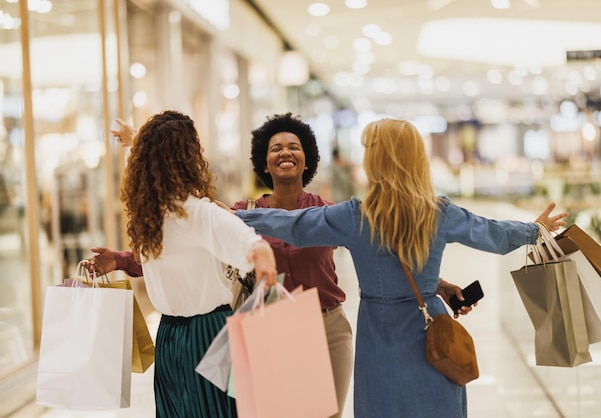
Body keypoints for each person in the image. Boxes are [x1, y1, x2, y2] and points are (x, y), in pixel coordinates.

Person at [86, 113, 476, 418]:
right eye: (275, 147)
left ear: (307, 157)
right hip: (270, 327)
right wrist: (121, 258)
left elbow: (385, 251)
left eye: (294, 145)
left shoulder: (328, 212)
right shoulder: (239, 212)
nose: (285, 152)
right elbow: (178, 238)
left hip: (328, 327)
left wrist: (435, 284)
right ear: (264, 162)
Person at [231, 118, 568, 418]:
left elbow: (295, 225)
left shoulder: (355, 216)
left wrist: (237, 217)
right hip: (429, 330)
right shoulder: (438, 212)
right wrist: (532, 230)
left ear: (379, 159)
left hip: (378, 336)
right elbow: (492, 235)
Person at [112, 109, 277, 418]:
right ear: (187, 157)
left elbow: (248, 243)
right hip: (208, 335)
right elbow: (249, 242)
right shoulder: (198, 212)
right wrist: (262, 255)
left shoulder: (148, 213)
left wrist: (135, 144)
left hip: (170, 338)